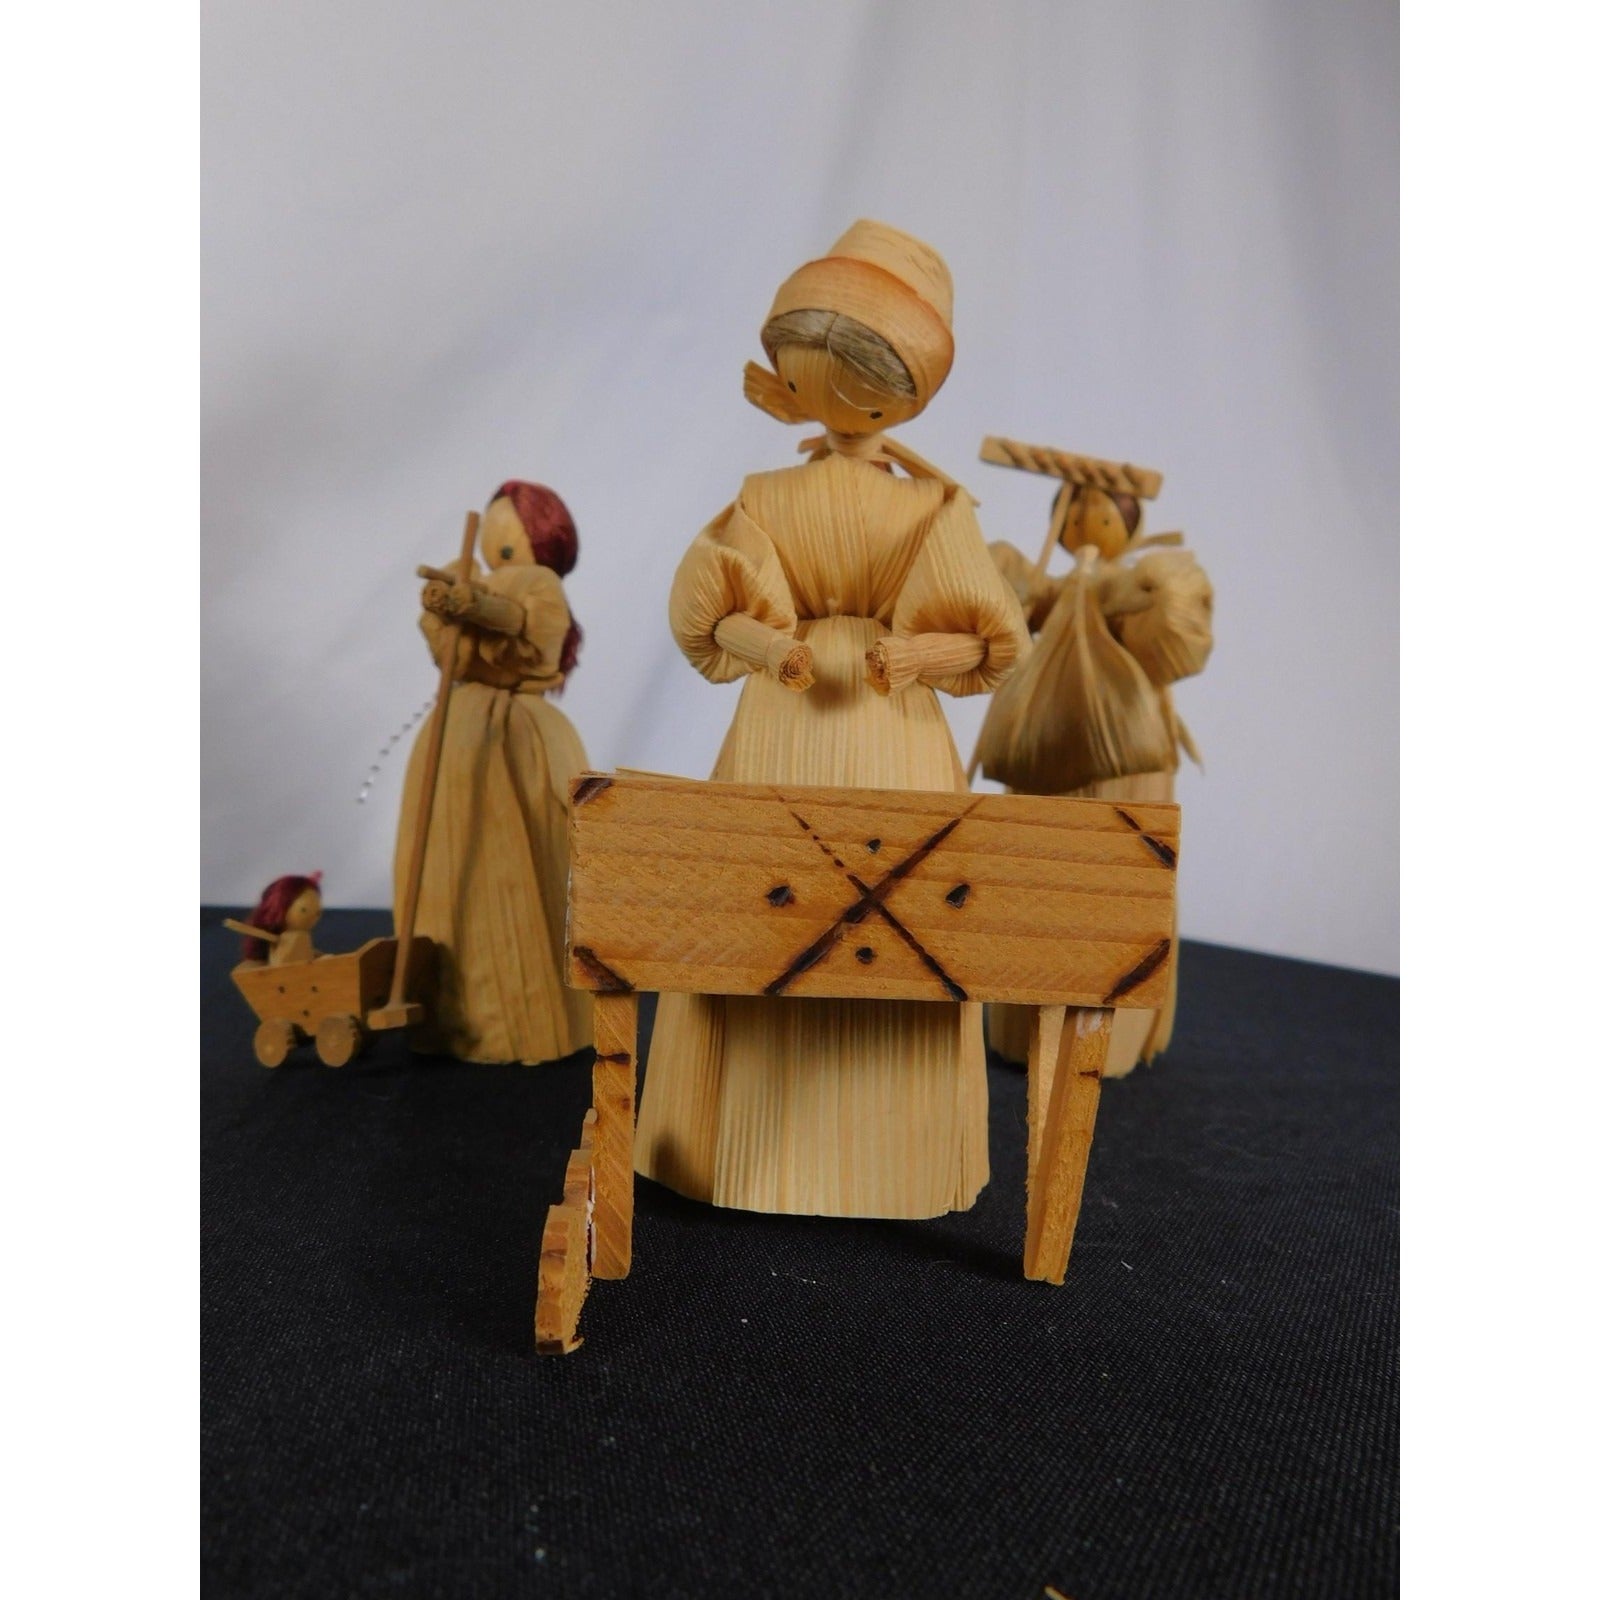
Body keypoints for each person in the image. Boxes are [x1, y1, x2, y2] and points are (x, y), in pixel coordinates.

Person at [635, 221, 1029, 1218]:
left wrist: (906, 656)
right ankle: (766, 1151)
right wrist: (780, 650)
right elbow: (717, 613)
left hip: (848, 723)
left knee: (893, 918)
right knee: (767, 901)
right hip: (828, 720)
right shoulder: (814, 501)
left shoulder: (928, 510)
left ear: (909, 394)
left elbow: (989, 642)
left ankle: (811, 1154)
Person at [393, 482, 592, 1064]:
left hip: (511, 734)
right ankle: (450, 1011)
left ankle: (530, 1015)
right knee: (450, 855)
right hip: (456, 729)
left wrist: (472, 606)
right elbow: (450, 655)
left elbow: (527, 632)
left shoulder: (539, 584)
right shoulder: (472, 577)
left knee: (515, 853)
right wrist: (440, 610)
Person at [238, 872, 323, 966]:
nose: (313, 918)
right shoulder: (275, 946)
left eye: (318, 913)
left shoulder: (303, 939)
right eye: (303, 910)